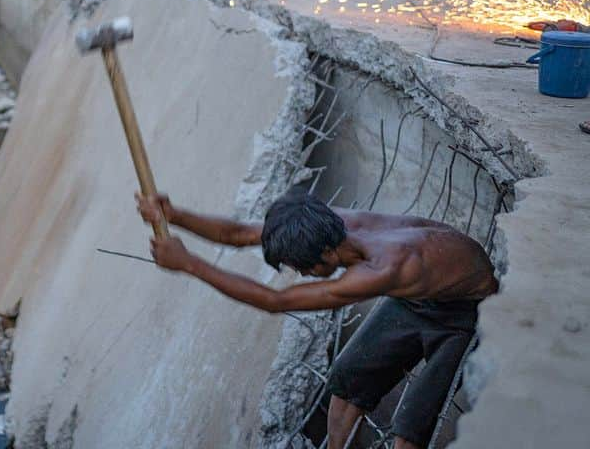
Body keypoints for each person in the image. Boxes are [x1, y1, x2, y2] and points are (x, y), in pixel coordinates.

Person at [138, 187, 498, 449]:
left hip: (465, 309)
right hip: (419, 296)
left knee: (411, 428)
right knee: (346, 378)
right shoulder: (327, 225)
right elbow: (237, 233)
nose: (304, 274)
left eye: (304, 268)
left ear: (326, 254)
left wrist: (190, 264)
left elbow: (274, 300)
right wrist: (174, 215)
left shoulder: (383, 268)